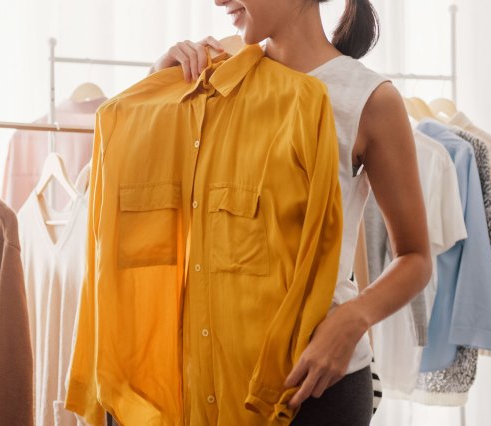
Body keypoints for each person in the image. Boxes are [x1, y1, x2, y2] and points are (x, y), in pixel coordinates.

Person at [148, 0, 432, 425]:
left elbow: (416, 258)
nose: (218, 0)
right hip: (210, 380)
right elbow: (159, 205)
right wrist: (158, 85)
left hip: (314, 385)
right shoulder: (218, 77)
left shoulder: (368, 100)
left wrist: (354, 319)